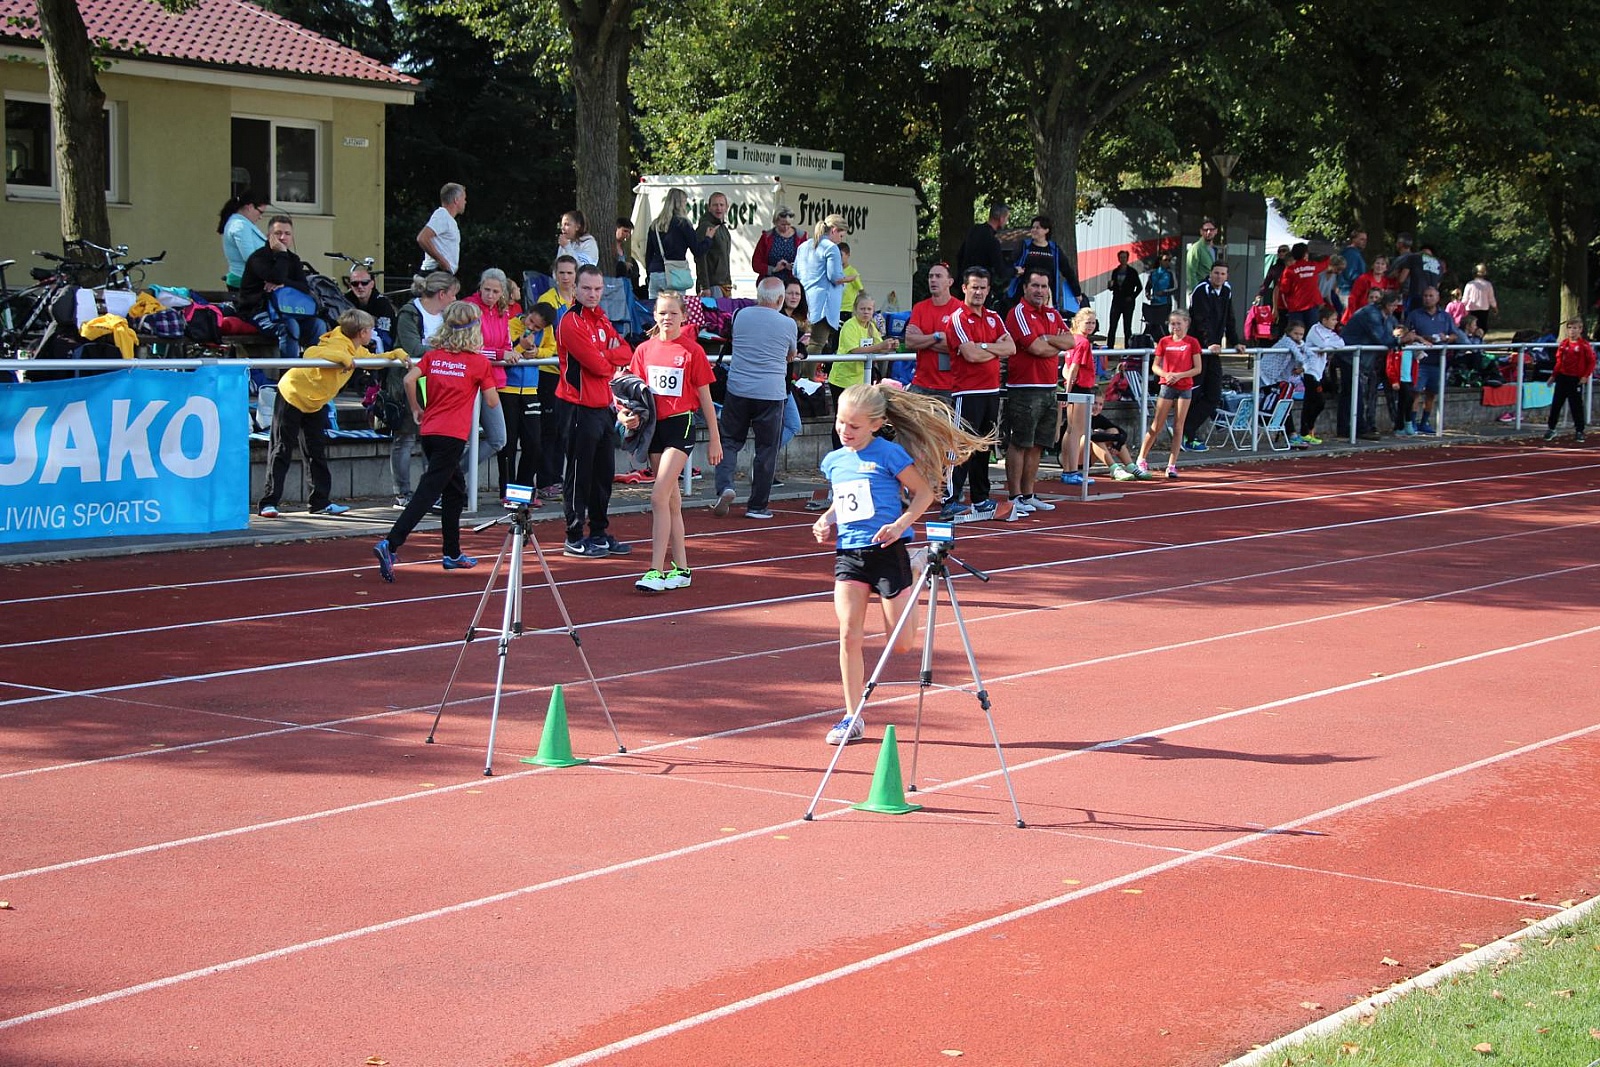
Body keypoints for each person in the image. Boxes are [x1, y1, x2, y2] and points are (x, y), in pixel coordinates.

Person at [812, 382, 993, 744]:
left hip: (888, 552)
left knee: (904, 644)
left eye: (854, 426)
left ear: (876, 424)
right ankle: (852, 716)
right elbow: (845, 499)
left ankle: (914, 569)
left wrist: (899, 526)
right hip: (850, 555)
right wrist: (827, 520)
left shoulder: (889, 454)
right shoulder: (834, 461)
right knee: (849, 634)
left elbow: (925, 493)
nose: (845, 431)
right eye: (841, 423)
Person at [372, 300, 499, 581]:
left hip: (430, 431)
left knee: (455, 491)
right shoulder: (478, 363)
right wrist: (488, 381)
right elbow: (491, 402)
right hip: (452, 436)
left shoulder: (434, 356)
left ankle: (452, 552)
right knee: (428, 493)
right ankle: (391, 543)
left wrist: (417, 407)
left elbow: (409, 380)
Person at [258, 308, 407, 519]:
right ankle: (268, 503)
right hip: (293, 394)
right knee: (282, 448)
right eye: (371, 330)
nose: (373, 334)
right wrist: (341, 357)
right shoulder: (336, 343)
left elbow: (373, 358)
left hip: (316, 402)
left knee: (315, 450)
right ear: (362, 332)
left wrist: (395, 354)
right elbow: (311, 353)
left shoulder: (355, 347)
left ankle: (319, 502)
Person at [629, 292, 724, 591]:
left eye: (672, 313)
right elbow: (634, 395)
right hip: (654, 427)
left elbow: (706, 398)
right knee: (671, 501)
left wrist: (715, 439)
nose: (667, 318)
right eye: (661, 313)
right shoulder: (644, 350)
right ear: (654, 316)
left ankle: (655, 571)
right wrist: (626, 417)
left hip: (680, 425)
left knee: (658, 496)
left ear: (683, 316)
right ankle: (682, 569)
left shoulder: (692, 351)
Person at [558, 264, 634, 557]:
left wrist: (608, 354)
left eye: (598, 289)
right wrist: (608, 355)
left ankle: (599, 532)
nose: (593, 294)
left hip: (604, 406)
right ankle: (574, 536)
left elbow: (625, 352)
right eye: (587, 288)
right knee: (579, 474)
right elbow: (599, 364)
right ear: (575, 289)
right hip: (578, 407)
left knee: (604, 473)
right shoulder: (571, 321)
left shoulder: (601, 318)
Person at [713, 277, 800, 520]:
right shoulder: (788, 324)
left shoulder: (740, 315)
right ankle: (757, 506)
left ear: (758, 295)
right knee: (766, 449)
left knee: (729, 440)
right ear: (781, 299)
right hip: (771, 393)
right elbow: (791, 354)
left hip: (738, 388)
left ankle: (725, 486)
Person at [942, 266, 1014, 521]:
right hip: (967, 392)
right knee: (961, 446)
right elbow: (970, 355)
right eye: (974, 287)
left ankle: (981, 498)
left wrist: (983, 346)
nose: (979, 292)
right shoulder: (958, 318)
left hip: (991, 391)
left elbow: (1011, 348)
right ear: (964, 288)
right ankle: (950, 499)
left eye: (983, 287)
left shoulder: (994, 316)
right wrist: (993, 348)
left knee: (984, 446)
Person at [1003, 269, 1074, 512]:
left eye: (1044, 287)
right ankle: (1014, 497)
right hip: (1024, 388)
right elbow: (1035, 348)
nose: (1040, 291)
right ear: (1025, 288)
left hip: (1048, 388)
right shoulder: (1018, 313)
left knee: (1037, 445)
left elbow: (1071, 342)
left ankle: (1028, 493)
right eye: (1035, 286)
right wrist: (1051, 341)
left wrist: (1048, 338)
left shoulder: (1053, 314)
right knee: (1020, 443)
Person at [388, 271, 460, 507]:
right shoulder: (410, 313)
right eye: (453, 295)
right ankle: (403, 492)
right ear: (442, 294)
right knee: (406, 437)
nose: (455, 299)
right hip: (410, 380)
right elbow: (412, 347)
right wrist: (445, 352)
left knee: (433, 439)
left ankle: (432, 490)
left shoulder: (447, 315)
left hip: (438, 383)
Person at [239, 215, 323, 359]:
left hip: (289, 310)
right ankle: (288, 376)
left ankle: (314, 373)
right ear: (268, 236)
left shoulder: (294, 260)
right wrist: (282, 254)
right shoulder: (258, 258)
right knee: (289, 326)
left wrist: (285, 284)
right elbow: (276, 277)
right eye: (278, 233)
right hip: (259, 312)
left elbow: (304, 287)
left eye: (287, 234)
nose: (283, 237)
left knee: (318, 325)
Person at [463, 268, 517, 487]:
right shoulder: (469, 307)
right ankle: (451, 479)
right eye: (487, 290)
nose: (491, 295)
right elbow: (471, 348)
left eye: (496, 291)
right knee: (462, 438)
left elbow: (506, 344)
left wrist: (506, 353)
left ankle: (452, 474)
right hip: (470, 381)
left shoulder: (503, 311)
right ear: (480, 287)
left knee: (498, 439)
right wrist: (500, 354)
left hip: (493, 381)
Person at [1181, 263, 1244, 451]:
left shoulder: (1226, 291)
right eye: (1216, 273)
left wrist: (1235, 342)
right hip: (1199, 349)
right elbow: (1201, 319)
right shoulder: (1201, 291)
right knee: (1196, 391)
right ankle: (1185, 433)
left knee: (1214, 394)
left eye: (1222, 274)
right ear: (1210, 274)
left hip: (1213, 350)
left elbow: (1229, 318)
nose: (1219, 277)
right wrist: (1209, 343)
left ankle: (1187, 430)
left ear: (1227, 276)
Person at [1134, 309, 1202, 480]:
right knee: (1157, 424)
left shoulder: (1192, 342)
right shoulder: (1164, 342)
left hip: (1184, 387)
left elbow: (1197, 368)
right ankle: (1141, 458)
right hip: (1167, 386)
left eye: (1179, 323)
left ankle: (1172, 464)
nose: (1176, 327)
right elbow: (1155, 366)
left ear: (1187, 323)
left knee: (1179, 427)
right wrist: (1166, 374)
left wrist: (1179, 375)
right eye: (1173, 324)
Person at [534, 256, 579, 498]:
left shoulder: (579, 299)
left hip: (571, 374)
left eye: (569, 273)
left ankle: (558, 479)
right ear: (554, 274)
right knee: (548, 429)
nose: (565, 277)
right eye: (561, 272)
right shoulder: (547, 300)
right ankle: (545, 481)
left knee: (565, 429)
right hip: (550, 373)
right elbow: (544, 338)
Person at [828, 291, 897, 447]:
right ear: (855, 310)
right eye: (862, 309)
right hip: (842, 380)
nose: (866, 312)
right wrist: (880, 346)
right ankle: (839, 451)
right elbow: (855, 350)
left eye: (869, 309)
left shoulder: (871, 326)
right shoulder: (849, 326)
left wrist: (889, 346)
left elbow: (879, 348)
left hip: (861, 381)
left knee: (859, 416)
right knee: (842, 418)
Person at [1340, 289, 1405, 440]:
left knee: (1353, 393)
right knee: (1354, 393)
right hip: (1351, 357)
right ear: (1387, 304)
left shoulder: (1386, 316)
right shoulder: (1371, 314)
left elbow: (1395, 330)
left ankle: (1349, 428)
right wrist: (1400, 339)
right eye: (1394, 305)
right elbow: (1381, 338)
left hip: (1362, 360)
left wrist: (1400, 334)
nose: (1395, 308)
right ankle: (1356, 429)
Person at [1402, 285, 1461, 435]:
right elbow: (1405, 332)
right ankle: (1412, 421)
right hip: (1421, 360)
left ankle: (1425, 421)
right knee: (1416, 391)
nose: (1427, 299)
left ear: (1437, 298)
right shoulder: (1415, 315)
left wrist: (1445, 338)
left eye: (1431, 296)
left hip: (1438, 361)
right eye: (1425, 296)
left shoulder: (1445, 316)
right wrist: (1421, 339)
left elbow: (1455, 335)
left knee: (1432, 393)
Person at [1057, 307, 1100, 486]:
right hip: (1080, 388)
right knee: (1077, 432)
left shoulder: (1072, 339)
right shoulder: (1082, 342)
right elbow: (1073, 368)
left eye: (1092, 322)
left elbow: (1067, 369)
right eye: (1087, 322)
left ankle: (1067, 469)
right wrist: (1068, 391)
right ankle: (1072, 470)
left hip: (1074, 387)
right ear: (1078, 322)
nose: (1090, 326)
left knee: (1070, 430)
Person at [1007, 214, 1085, 312]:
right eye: (1033, 227)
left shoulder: (1054, 250)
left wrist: (1077, 291)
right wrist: (1016, 270)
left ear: (1046, 230)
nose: (1034, 230)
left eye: (1037, 228)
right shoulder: (1024, 246)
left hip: (1046, 296)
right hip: (1023, 294)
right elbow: (1010, 264)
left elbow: (1067, 270)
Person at [903, 262, 958, 401]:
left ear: (950, 282)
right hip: (920, 382)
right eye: (930, 276)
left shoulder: (959, 309)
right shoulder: (920, 307)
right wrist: (937, 336)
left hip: (949, 386)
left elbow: (955, 346)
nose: (933, 280)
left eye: (938, 276)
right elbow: (909, 342)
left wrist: (922, 339)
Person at [797, 214, 849, 354]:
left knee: (798, 342)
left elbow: (796, 272)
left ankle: (795, 375)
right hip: (823, 305)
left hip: (802, 302)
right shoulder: (832, 248)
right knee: (817, 343)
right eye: (841, 236)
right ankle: (807, 376)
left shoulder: (803, 246)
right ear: (834, 230)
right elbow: (834, 277)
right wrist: (847, 279)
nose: (840, 240)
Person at [644, 188, 705, 299]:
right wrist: (708, 239)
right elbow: (697, 251)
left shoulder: (655, 225)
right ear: (680, 203)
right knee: (675, 310)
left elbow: (648, 254)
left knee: (654, 309)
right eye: (684, 202)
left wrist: (649, 273)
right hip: (675, 273)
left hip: (655, 273)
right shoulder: (683, 224)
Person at [1259, 320, 1312, 447]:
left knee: (1284, 403)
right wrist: (1302, 367)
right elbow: (1300, 357)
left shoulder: (1300, 343)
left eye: (1301, 334)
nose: (1298, 337)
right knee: (1282, 403)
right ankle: (1289, 433)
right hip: (1267, 377)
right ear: (1289, 333)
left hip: (1278, 378)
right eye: (1296, 334)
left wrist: (1304, 367)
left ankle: (1290, 433)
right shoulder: (1287, 341)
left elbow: (1310, 354)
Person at [1544, 318, 1594, 443]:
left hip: (1575, 379)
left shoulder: (1583, 345)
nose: (1572, 331)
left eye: (1575, 328)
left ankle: (1579, 430)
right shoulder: (1564, 344)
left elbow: (1591, 362)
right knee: (1556, 404)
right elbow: (1559, 361)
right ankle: (1551, 428)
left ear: (1580, 330)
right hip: (1562, 377)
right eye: (1570, 328)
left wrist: (1585, 376)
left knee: (1576, 405)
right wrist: (1554, 375)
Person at [956, 202, 1011, 309]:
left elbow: (959, 255)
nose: (1006, 222)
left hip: (965, 284)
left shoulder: (973, 231)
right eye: (1006, 218)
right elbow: (1001, 270)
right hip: (980, 289)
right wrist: (1015, 271)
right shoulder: (992, 240)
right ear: (1001, 218)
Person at [1301, 305, 1342, 445]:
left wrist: (1329, 343)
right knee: (1319, 402)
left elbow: (1341, 343)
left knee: (1309, 403)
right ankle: (1307, 429)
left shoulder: (1330, 332)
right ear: (1324, 320)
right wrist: (1330, 343)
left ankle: (1306, 432)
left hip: (1319, 372)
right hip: (1310, 371)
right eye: (1333, 319)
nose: (1335, 322)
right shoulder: (1315, 329)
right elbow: (1322, 344)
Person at [217, 190, 268, 291]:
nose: (261, 217)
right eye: (260, 212)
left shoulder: (242, 223)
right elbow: (251, 258)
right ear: (250, 207)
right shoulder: (240, 225)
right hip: (246, 282)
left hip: (248, 280)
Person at [417, 182, 466, 276]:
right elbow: (422, 238)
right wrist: (442, 261)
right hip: (435, 273)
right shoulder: (442, 215)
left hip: (441, 273)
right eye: (464, 198)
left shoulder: (447, 219)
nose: (465, 202)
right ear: (456, 200)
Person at [1088, 393, 1140, 481]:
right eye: (1095, 403)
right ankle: (1114, 469)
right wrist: (1115, 437)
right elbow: (1093, 436)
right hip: (1074, 460)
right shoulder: (1081, 416)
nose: (1097, 407)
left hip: (1088, 460)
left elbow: (1122, 433)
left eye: (1100, 404)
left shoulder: (1099, 418)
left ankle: (1131, 467)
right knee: (1096, 438)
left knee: (1113, 430)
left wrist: (1117, 446)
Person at [752, 204, 806, 285]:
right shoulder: (767, 237)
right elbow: (756, 263)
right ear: (776, 222)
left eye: (789, 224)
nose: (786, 227)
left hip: (793, 284)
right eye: (783, 224)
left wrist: (793, 267)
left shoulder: (801, 236)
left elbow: (807, 262)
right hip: (770, 283)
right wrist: (773, 269)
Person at [1277, 243, 1326, 331]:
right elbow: (1326, 263)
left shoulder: (1289, 270)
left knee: (1295, 333)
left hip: (1295, 306)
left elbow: (1284, 289)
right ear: (1305, 254)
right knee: (1312, 332)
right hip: (1312, 304)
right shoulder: (1313, 266)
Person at [693, 192, 733, 297]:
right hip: (712, 286)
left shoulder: (722, 228)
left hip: (725, 284)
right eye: (715, 205)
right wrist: (704, 286)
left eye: (721, 205)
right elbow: (700, 257)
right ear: (709, 207)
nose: (718, 208)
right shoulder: (705, 227)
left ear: (726, 207)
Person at [345, 266, 397, 348]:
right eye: (355, 283)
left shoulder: (383, 304)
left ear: (372, 284)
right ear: (350, 285)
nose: (360, 286)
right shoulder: (345, 301)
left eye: (364, 283)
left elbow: (385, 336)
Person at [1105, 250, 1144, 348]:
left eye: (1124, 257)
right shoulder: (1116, 271)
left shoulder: (1132, 272)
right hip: (1117, 301)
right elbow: (1112, 287)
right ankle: (1109, 349)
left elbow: (1139, 287)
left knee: (1127, 326)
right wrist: (1110, 286)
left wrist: (1132, 297)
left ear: (1127, 259)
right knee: (1113, 325)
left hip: (1128, 302)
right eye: (1121, 257)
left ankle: (1127, 349)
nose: (1122, 259)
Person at [1344, 254, 1394, 325]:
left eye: (1383, 264)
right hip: (1360, 314)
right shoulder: (1363, 279)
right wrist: (1353, 315)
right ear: (1373, 265)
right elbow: (1353, 298)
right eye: (1377, 263)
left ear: (1386, 268)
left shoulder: (1385, 282)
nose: (1379, 266)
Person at [1184, 218, 1219, 298]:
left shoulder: (1214, 249)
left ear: (1216, 231)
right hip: (1200, 291)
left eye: (1211, 229)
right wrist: (1195, 291)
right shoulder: (1196, 248)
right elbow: (1191, 272)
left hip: (1212, 291)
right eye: (1206, 230)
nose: (1209, 232)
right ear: (1201, 232)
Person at [1144, 251, 1176, 337]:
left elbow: (1175, 288)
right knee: (1152, 325)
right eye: (1166, 260)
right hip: (1154, 302)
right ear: (1160, 261)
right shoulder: (1153, 273)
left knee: (1164, 326)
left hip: (1165, 303)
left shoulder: (1170, 273)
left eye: (1169, 260)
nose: (1168, 262)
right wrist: (1148, 294)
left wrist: (1164, 292)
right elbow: (1148, 286)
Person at [1462, 264, 1499, 333]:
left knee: (1471, 326)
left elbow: (1465, 299)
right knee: (1482, 327)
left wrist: (1461, 307)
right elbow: (1491, 298)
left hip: (1471, 309)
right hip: (1483, 309)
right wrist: (1495, 307)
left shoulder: (1470, 284)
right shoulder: (1488, 285)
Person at [612, 217, 642, 296]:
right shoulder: (610, 246)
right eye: (624, 231)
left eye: (629, 232)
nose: (627, 235)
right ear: (616, 229)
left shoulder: (623, 247)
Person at [1338, 231, 1368, 296]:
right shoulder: (1351, 253)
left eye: (1366, 240)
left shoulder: (1356, 253)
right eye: (1362, 239)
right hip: (1347, 291)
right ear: (1353, 239)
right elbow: (1350, 274)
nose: (1365, 242)